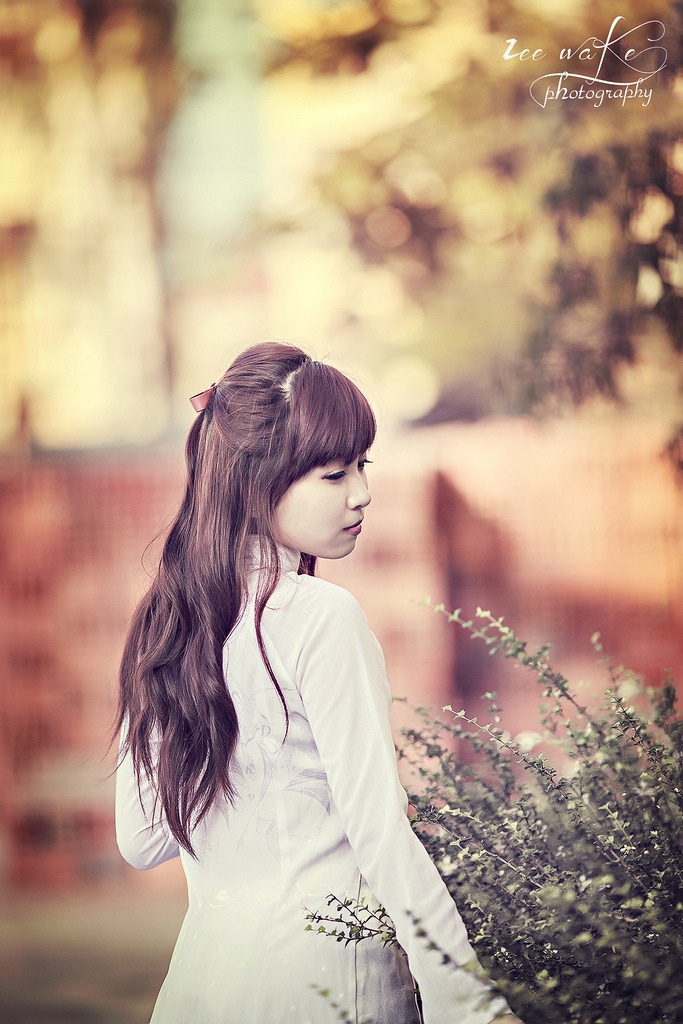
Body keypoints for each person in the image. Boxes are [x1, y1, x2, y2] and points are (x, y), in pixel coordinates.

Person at [115, 342, 522, 1024]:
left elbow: (141, 840)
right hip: (328, 980)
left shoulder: (167, 623)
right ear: (255, 481)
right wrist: (470, 1003)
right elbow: (379, 831)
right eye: (334, 474)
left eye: (363, 465)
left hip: (206, 982)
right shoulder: (319, 616)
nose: (362, 492)